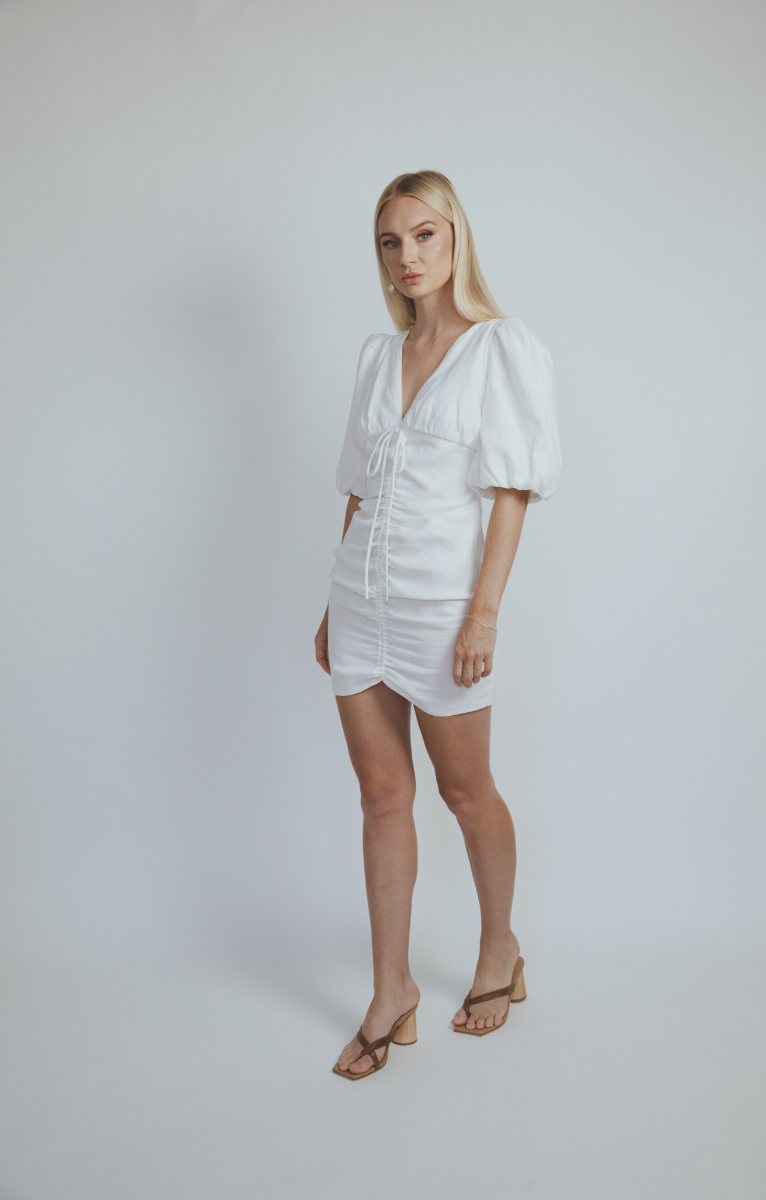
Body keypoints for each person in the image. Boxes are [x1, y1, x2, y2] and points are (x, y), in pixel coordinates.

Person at [314, 170, 561, 1080]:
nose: (408, 255)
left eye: (425, 235)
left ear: (456, 239)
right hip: (360, 602)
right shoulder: (376, 357)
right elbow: (359, 490)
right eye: (391, 241)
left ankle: (501, 948)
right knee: (382, 798)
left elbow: (510, 494)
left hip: (442, 606)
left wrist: (483, 615)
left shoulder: (501, 348)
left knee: (466, 793)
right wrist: (331, 606)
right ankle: (393, 991)